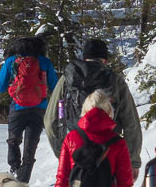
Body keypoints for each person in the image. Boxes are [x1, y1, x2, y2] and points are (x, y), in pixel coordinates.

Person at [45, 38, 143, 172]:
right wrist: (133, 162)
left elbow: (50, 120)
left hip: (75, 152)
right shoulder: (114, 80)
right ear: (105, 60)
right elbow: (130, 123)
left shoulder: (67, 80)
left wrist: (62, 154)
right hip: (108, 153)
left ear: (84, 58)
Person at [0, 33, 58, 182]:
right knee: (30, 149)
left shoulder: (12, 61)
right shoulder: (45, 61)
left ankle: (15, 168)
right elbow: (55, 86)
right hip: (39, 108)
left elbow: (0, 87)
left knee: (13, 141)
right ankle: (23, 182)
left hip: (17, 107)